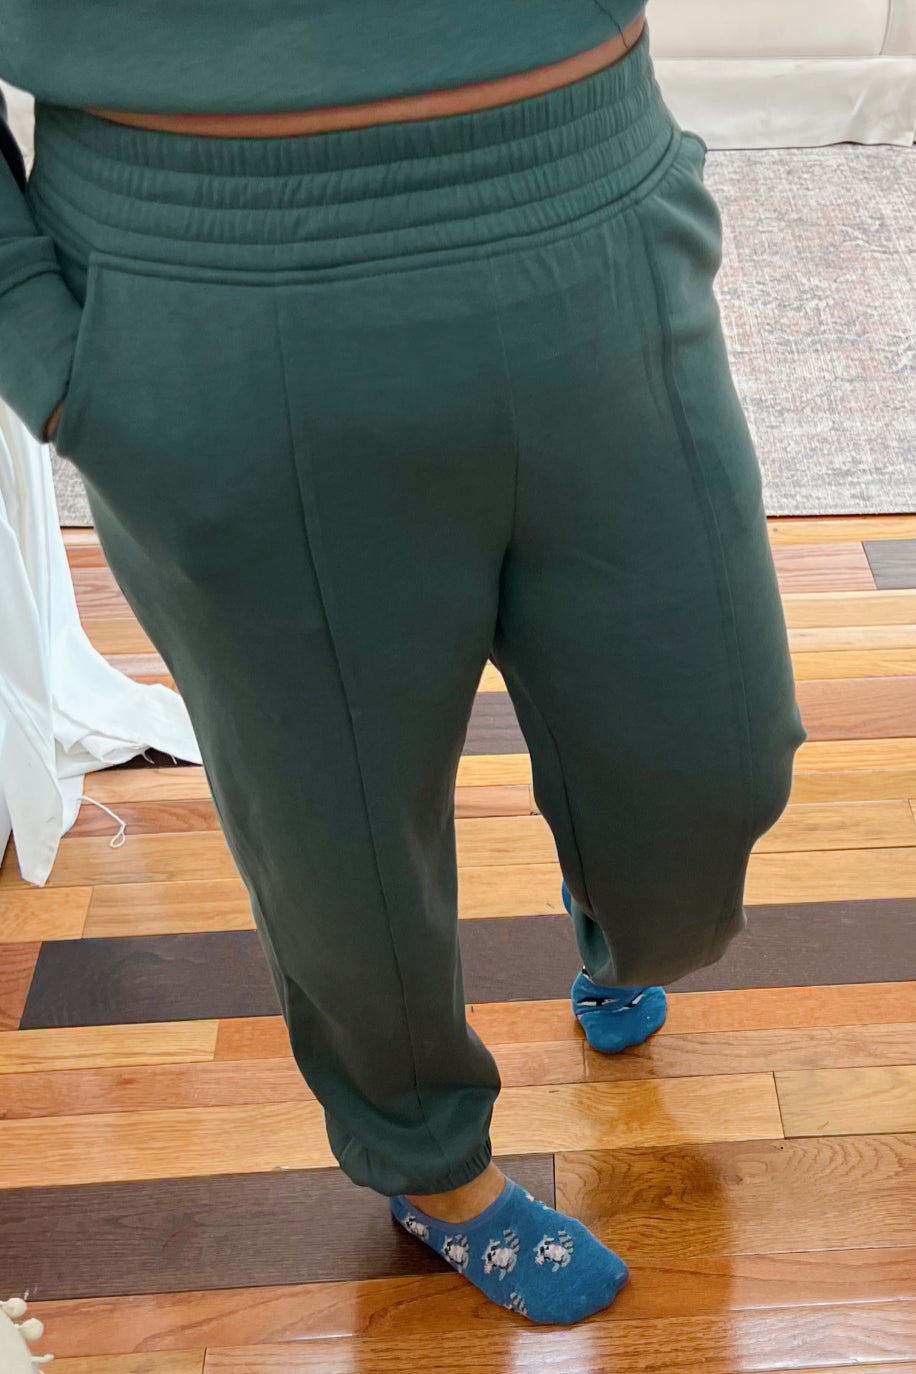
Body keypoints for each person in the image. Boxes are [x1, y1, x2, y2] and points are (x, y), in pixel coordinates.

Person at [0, 2, 807, 1326]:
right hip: (212, 271)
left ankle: (628, 925)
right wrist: (40, 346)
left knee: (713, 761)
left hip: (583, 191)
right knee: (337, 841)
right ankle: (431, 1164)